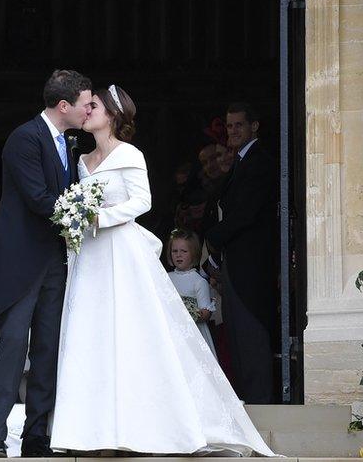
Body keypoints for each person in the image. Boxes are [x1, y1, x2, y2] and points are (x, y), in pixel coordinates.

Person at [50, 85, 274, 456]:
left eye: (94, 106)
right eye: (86, 107)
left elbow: (142, 201)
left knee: (130, 334)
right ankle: (89, 430)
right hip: (89, 257)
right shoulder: (83, 160)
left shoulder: (130, 154)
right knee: (91, 333)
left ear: (113, 116)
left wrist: (98, 217)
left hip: (120, 254)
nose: (86, 111)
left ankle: (141, 425)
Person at [0, 69, 92, 458]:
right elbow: (38, 197)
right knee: (13, 346)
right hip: (21, 260)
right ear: (63, 106)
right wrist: (82, 214)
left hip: (55, 259)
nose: (89, 110)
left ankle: (37, 434)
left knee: (47, 347)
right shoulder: (24, 138)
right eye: (85, 104)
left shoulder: (67, 142)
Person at [203, 102, 278, 403]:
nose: (233, 131)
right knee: (237, 340)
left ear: (254, 126)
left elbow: (244, 214)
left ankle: (261, 406)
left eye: (238, 125)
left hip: (251, 267)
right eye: (229, 126)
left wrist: (211, 239)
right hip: (235, 264)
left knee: (251, 338)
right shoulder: (240, 162)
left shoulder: (259, 161)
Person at [167, 229, 217, 358]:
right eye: (175, 251)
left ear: (194, 253)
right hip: (171, 332)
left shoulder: (199, 281)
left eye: (184, 251)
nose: (178, 255)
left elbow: (206, 313)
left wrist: (188, 313)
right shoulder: (165, 278)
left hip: (193, 333)